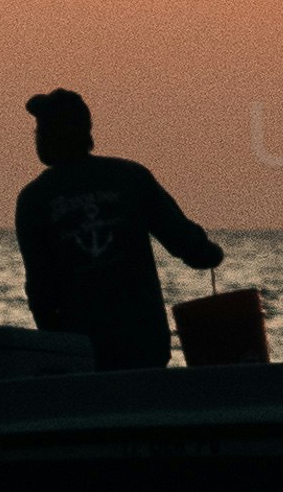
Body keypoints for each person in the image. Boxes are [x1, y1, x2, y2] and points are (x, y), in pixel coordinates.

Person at [12, 87, 219, 374]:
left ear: (53, 135)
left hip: (81, 354)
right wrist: (210, 253)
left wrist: (57, 347)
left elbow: (40, 292)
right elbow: (186, 243)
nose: (37, 136)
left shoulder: (34, 199)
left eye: (42, 129)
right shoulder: (131, 177)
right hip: (145, 345)